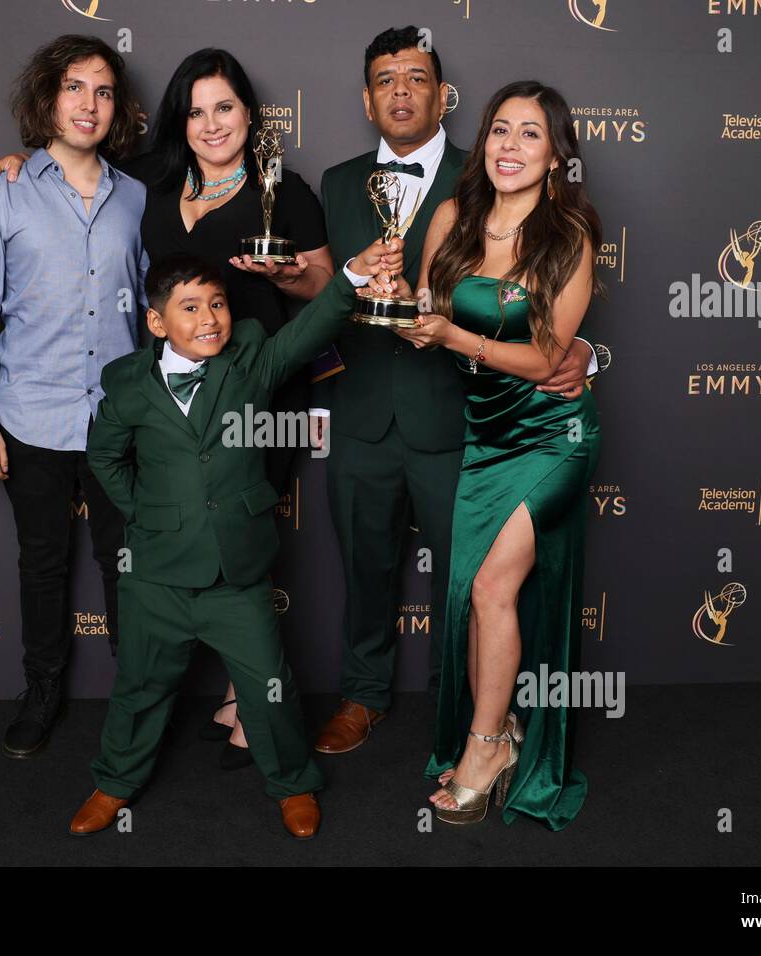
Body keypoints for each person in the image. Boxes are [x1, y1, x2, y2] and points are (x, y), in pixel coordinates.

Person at [0, 49, 338, 771]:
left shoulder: (284, 189)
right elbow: (70, 168)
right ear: (178, 120)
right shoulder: (146, 182)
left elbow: (327, 286)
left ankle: (247, 696)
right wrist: (11, 162)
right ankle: (112, 700)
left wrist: (290, 273)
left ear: (249, 115)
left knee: (241, 541)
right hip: (165, 413)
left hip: (256, 398)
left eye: (225, 107)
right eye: (196, 110)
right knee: (138, 549)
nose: (211, 123)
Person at [311, 27, 601, 756]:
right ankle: (362, 695)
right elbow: (342, 295)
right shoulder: (340, 183)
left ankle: (471, 711)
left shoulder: (489, 175)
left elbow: (546, 309)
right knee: (363, 567)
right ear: (367, 99)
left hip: (468, 420)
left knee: (474, 584)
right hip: (364, 411)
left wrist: (591, 354)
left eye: (416, 77)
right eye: (385, 79)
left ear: (445, 96)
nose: (400, 90)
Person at [372, 80, 602, 829]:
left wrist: (453, 338)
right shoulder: (452, 217)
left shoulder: (569, 235)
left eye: (530, 134)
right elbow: (426, 317)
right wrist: (395, 299)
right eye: (500, 129)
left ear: (555, 153)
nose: (509, 146)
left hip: (551, 434)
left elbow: (544, 358)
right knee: (477, 593)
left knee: (491, 589)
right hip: (486, 434)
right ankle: (498, 732)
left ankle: (484, 750)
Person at [68, 255, 362, 839]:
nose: (210, 319)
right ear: (157, 324)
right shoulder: (128, 384)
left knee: (267, 685)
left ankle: (293, 783)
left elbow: (306, 332)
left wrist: (349, 278)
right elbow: (102, 456)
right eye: (191, 307)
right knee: (139, 686)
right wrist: (147, 514)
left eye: (218, 304)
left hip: (236, 573)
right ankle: (114, 781)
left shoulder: (249, 362)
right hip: (156, 573)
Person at [0, 35, 147, 758]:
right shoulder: (2, 190)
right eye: (74, 88)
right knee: (43, 563)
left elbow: (154, 313)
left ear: (117, 107)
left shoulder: (138, 197)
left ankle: (137, 700)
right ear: (47, 99)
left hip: (122, 421)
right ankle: (41, 693)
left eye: (102, 91)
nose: (88, 104)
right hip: (30, 415)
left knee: (128, 566)